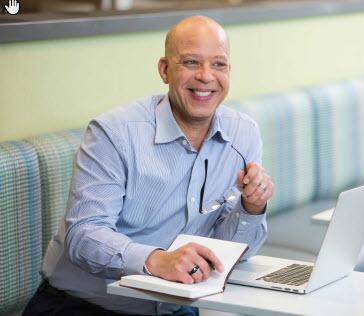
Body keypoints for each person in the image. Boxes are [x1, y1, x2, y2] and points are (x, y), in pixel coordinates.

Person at [23, 16, 273, 316]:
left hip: (175, 308)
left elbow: (231, 254)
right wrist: (156, 259)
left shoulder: (243, 134)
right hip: (80, 306)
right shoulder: (114, 133)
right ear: (165, 70)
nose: (206, 76)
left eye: (219, 64)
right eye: (191, 62)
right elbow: (84, 235)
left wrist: (251, 208)